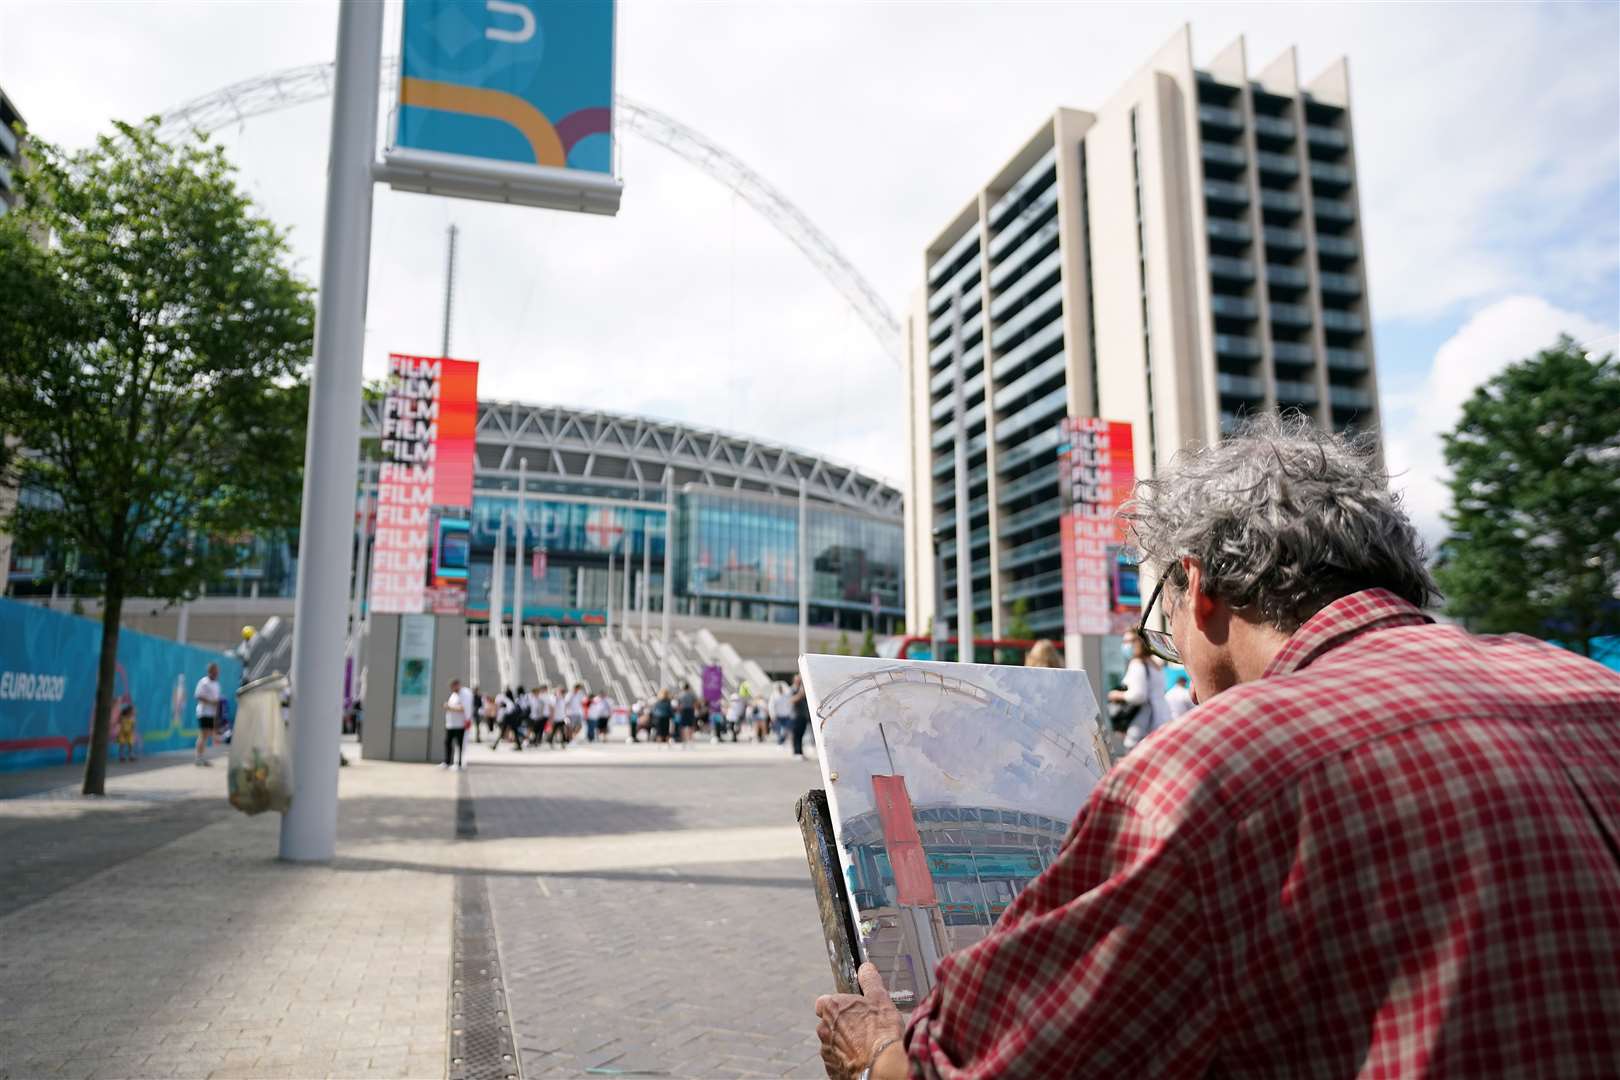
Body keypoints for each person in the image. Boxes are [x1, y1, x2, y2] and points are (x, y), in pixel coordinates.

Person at [812, 418, 1620, 1079]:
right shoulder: (1592, 691)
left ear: (1201, 590)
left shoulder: (1215, 767)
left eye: (1162, 625)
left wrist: (879, 1051)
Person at [1108, 629, 1171, 752]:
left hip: (1141, 728)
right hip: (1161, 721)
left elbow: (1138, 696)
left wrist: (1116, 695)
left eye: (1128, 641)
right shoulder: (1155, 663)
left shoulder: (1137, 664)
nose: (1125, 645)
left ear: (1138, 642)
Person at [193, 662, 222, 766]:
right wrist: (211, 702)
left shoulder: (217, 684)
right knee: (203, 735)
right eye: (214, 671)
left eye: (217, 671)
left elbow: (217, 701)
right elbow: (198, 696)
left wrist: (216, 714)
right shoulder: (203, 682)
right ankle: (198, 758)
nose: (216, 673)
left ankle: (201, 757)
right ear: (210, 671)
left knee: (206, 736)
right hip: (203, 712)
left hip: (211, 714)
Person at [441, 678, 471, 770]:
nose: (452, 688)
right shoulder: (454, 695)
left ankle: (459, 763)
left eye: (453, 686)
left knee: (459, 744)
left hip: (459, 724)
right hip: (450, 724)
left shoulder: (465, 694)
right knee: (448, 743)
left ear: (457, 685)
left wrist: (450, 707)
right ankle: (447, 761)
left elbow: (463, 708)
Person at [788, 674, 811, 758]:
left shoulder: (803, 690)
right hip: (795, 716)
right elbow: (791, 700)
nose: (799, 681)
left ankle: (800, 752)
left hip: (803, 716)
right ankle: (796, 752)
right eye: (798, 680)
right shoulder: (792, 689)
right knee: (796, 735)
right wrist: (800, 695)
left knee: (801, 735)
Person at [770, 681, 793, 745]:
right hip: (778, 716)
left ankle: (782, 740)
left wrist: (790, 712)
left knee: (786, 730)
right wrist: (772, 715)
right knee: (779, 731)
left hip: (786, 715)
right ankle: (780, 742)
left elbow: (790, 704)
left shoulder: (786, 695)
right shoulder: (774, 695)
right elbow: (771, 706)